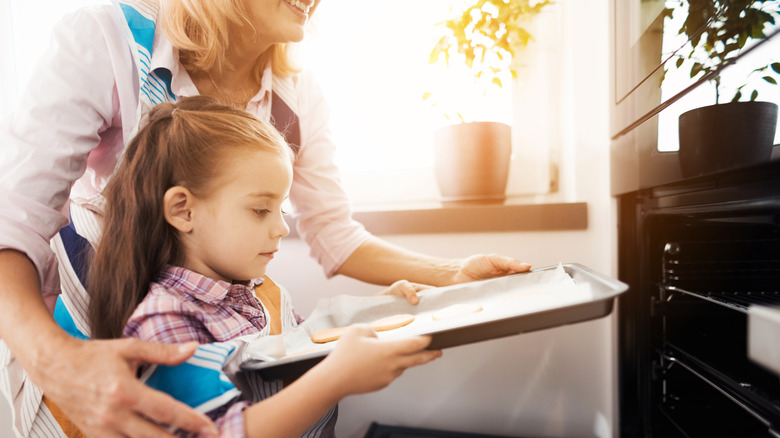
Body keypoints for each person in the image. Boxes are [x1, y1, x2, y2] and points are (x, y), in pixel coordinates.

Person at [0, 0, 531, 436]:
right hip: (86, 348)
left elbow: (334, 233)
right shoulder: (107, 40)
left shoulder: (298, 96)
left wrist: (449, 276)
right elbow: (12, 222)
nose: (280, 228)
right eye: (261, 210)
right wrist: (56, 363)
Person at [86, 96, 441, 437]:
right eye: (260, 209)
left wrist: (380, 312)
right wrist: (335, 379)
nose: (283, 228)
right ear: (183, 210)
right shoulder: (164, 321)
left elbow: (309, 344)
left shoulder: (256, 291)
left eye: (282, 209)